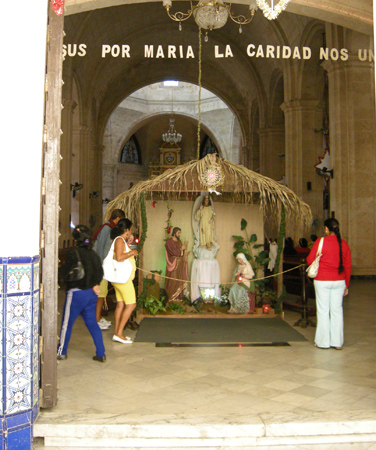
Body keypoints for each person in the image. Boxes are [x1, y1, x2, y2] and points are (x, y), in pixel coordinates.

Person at [57, 225, 106, 362]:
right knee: (93, 324)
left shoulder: (74, 253)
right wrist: (94, 284)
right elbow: (100, 273)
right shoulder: (94, 255)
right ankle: (101, 353)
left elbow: (64, 272)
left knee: (67, 323)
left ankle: (61, 351)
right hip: (91, 294)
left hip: (76, 294)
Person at [306, 218, 351, 350]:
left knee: (323, 311)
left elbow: (309, 260)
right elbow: (347, 266)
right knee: (337, 311)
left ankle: (323, 342)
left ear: (326, 229)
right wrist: (346, 285)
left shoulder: (321, 242)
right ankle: (337, 343)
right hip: (339, 281)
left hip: (322, 280)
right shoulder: (344, 244)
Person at [93, 209, 125, 330]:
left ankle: (98, 317)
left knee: (103, 293)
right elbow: (100, 248)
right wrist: (101, 266)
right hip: (101, 266)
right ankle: (96, 320)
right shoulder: (106, 228)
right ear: (116, 218)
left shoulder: (111, 228)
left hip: (105, 266)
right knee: (101, 294)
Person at [110, 218, 138, 344]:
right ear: (126, 230)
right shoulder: (120, 240)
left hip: (119, 278)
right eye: (130, 228)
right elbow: (120, 257)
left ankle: (117, 332)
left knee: (121, 304)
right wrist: (132, 252)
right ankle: (120, 333)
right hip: (123, 279)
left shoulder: (119, 240)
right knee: (131, 304)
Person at [165, 227, 189, 301]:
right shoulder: (169, 242)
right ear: (174, 233)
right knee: (173, 279)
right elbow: (172, 252)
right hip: (173, 264)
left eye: (180, 233)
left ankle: (178, 297)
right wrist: (181, 249)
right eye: (178, 233)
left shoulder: (179, 242)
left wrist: (185, 253)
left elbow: (181, 253)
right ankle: (171, 297)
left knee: (179, 280)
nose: (179, 234)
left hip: (180, 264)